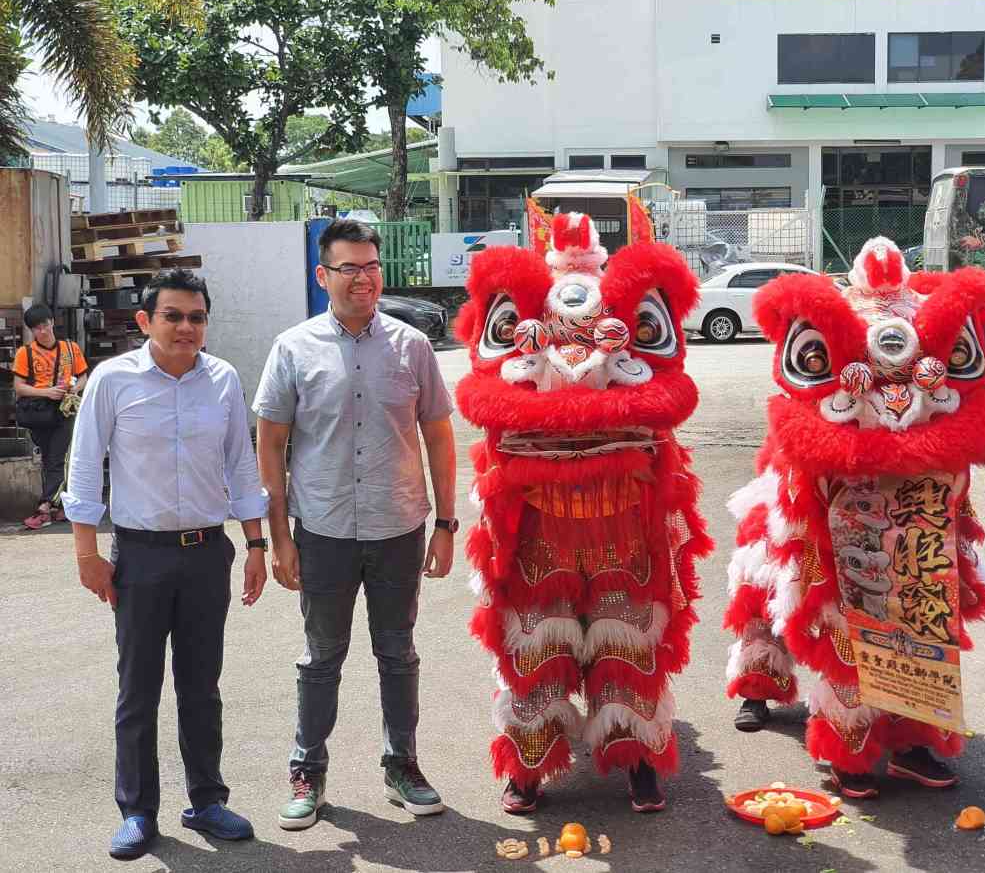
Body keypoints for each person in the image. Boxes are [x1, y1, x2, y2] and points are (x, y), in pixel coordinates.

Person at [720, 237, 985, 800]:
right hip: (835, 495)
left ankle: (912, 737)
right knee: (827, 612)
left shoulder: (924, 317)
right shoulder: (839, 318)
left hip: (919, 498)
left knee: (921, 610)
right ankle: (823, 724)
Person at [457, 205, 710, 815]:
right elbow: (491, 385)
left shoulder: (622, 318)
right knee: (535, 643)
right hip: (541, 521)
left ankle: (637, 757)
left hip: (623, 520)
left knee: (628, 641)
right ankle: (529, 764)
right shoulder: (529, 315)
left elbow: (663, 386)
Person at [254, 218, 456, 832]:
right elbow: (271, 444)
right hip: (323, 528)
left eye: (372, 266)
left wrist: (447, 522)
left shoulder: (411, 346)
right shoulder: (293, 347)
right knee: (321, 657)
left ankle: (402, 767)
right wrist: (279, 536)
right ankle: (307, 773)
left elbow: (438, 435)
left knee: (398, 653)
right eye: (350, 267)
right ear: (324, 276)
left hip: (399, 524)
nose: (365, 277)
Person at [63, 269, 269, 860]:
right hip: (141, 556)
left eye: (197, 317)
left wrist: (255, 545)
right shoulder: (113, 380)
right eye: (173, 315)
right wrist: (86, 552)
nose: (186, 327)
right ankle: (137, 811)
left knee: (201, 686)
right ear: (145, 321)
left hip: (208, 552)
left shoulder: (223, 379)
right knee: (138, 688)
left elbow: (240, 465)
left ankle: (206, 800)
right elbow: (84, 466)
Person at [12, 303, 87, 529]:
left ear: (52, 322)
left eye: (45, 325)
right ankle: (60, 506)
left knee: (58, 458)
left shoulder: (70, 348)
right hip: (39, 412)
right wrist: (46, 392)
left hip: (65, 410)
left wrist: (74, 389)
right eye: (37, 328)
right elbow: (19, 387)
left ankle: (44, 507)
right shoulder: (24, 353)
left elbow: (83, 376)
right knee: (49, 459)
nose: (42, 331)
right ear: (32, 331)